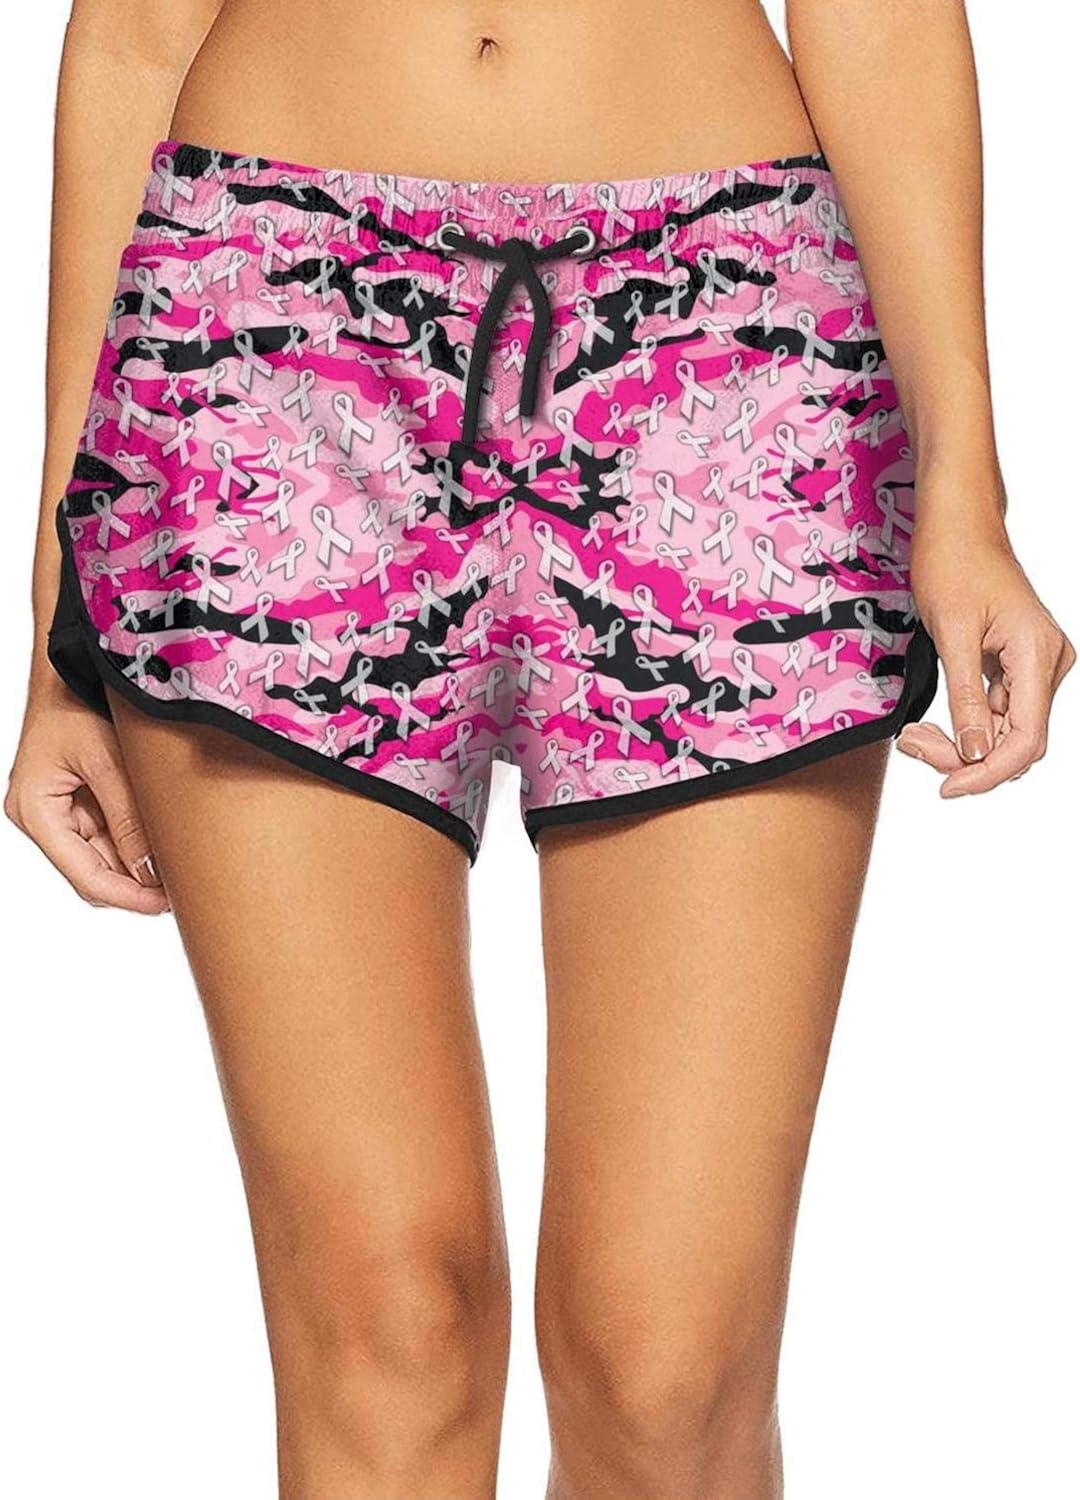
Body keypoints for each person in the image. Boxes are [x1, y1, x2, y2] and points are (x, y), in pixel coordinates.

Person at [6, 2, 1073, 1496]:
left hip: (729, 343)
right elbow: (136, 30)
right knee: (387, 1324)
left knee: (669, 1374)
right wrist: (60, 618)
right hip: (273, 342)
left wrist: (968, 487)